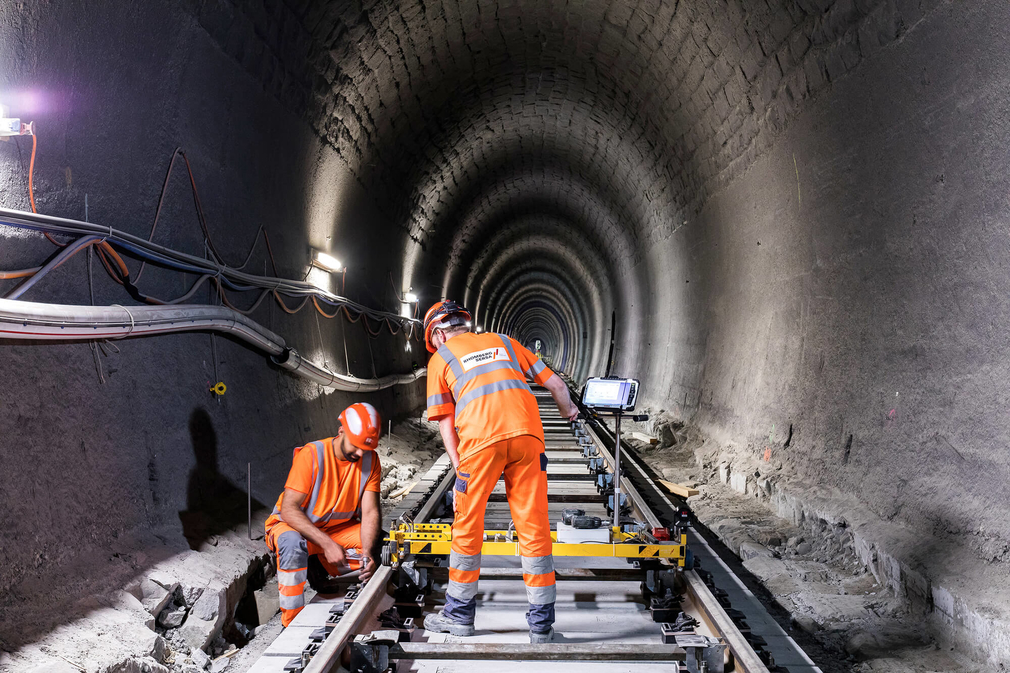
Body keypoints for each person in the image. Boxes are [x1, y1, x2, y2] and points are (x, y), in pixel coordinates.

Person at [420, 300, 579, 643]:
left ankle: (459, 617)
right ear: (466, 324)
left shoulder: (440, 359)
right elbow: (558, 387)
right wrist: (569, 412)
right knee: (534, 528)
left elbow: (446, 421)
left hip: (480, 443)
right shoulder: (505, 342)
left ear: (437, 333)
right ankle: (542, 627)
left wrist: (459, 464)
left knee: (467, 527)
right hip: (528, 439)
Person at [264, 402, 383, 627]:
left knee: (380, 542)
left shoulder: (371, 460)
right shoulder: (312, 454)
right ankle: (291, 622)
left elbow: (370, 512)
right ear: (341, 432)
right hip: (293, 527)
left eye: (366, 449)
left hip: (334, 530)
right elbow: (289, 509)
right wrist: (326, 543)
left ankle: (318, 567)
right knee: (291, 543)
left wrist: (367, 553)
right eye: (356, 446)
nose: (360, 453)